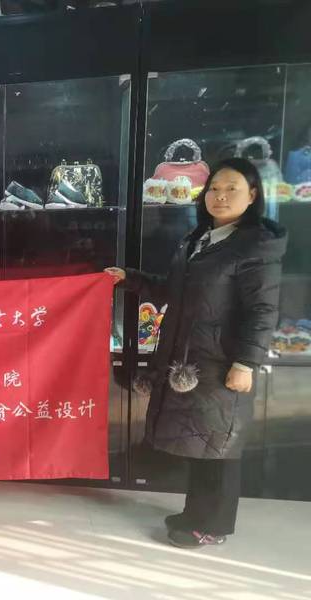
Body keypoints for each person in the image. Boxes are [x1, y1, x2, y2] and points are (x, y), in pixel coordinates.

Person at [105, 157, 286, 549]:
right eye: (214, 189)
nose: (220, 196)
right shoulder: (200, 239)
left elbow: (262, 310)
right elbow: (173, 289)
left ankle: (213, 526)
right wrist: (130, 279)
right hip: (191, 356)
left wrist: (246, 362)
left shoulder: (255, 245)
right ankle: (195, 515)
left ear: (252, 195)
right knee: (201, 442)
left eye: (232, 189)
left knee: (220, 444)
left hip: (222, 360)